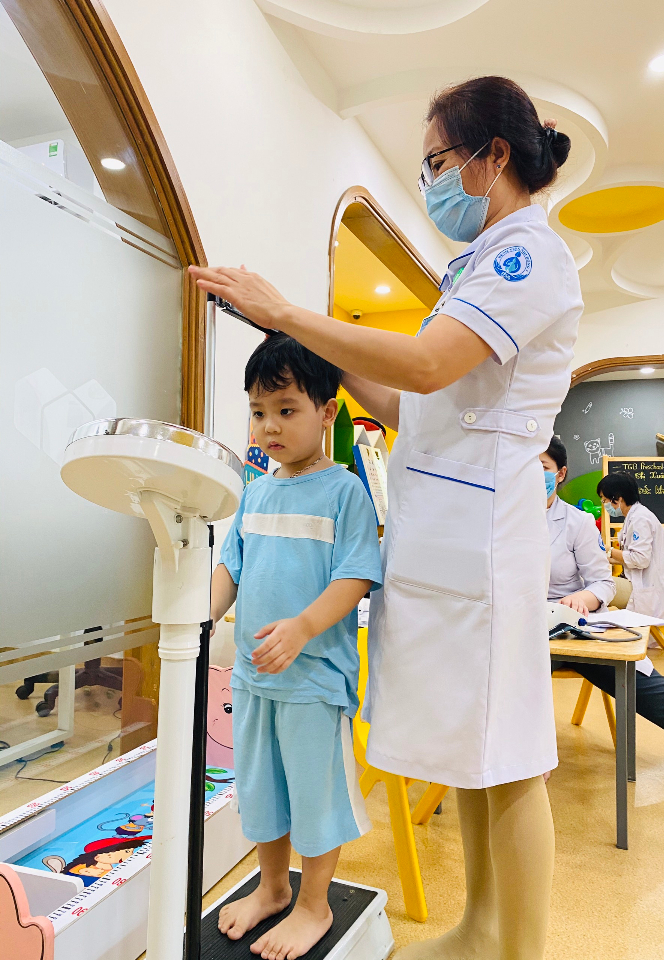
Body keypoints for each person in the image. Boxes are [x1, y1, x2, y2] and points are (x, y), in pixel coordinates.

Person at [191, 75, 582, 960]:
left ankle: (516, 949)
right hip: (445, 540)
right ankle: (479, 928)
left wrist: (289, 311)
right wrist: (310, 349)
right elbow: (416, 405)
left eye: (438, 161)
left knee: (510, 757)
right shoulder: (474, 266)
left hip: (486, 547)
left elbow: (427, 365)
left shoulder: (528, 257)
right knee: (473, 754)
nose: (432, 179)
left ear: (494, 157)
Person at [209, 335, 382, 959]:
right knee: (262, 790)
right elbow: (231, 566)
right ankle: (273, 887)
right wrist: (199, 621)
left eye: (286, 410)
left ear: (326, 413)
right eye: (259, 412)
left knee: (314, 794)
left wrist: (304, 627)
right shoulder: (255, 491)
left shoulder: (345, 492)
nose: (270, 426)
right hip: (254, 677)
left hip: (313, 679)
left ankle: (314, 904)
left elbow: (356, 575)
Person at [544, 437, 664, 758]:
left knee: (655, 694)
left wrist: (584, 596)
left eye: (541, 467)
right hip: (525, 636)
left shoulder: (578, 522)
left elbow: (603, 582)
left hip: (576, 628)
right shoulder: (499, 521)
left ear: (560, 473)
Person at [597, 470, 664, 623]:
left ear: (618, 499)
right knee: (595, 583)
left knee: (596, 586)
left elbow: (639, 559)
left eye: (604, 500)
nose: (604, 505)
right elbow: (629, 558)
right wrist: (602, 556)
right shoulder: (635, 516)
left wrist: (609, 551)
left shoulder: (640, 519)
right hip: (642, 583)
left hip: (648, 591)